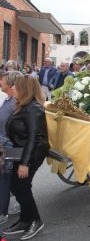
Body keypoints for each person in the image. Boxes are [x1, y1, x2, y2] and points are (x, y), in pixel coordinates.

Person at [2, 75, 49, 240]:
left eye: (17, 85)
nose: (13, 87)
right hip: (20, 151)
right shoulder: (23, 104)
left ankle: (35, 220)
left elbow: (34, 138)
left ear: (24, 89)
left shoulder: (34, 108)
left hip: (31, 154)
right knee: (17, 186)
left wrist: (25, 164)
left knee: (21, 186)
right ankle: (25, 220)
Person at [0, 71, 23, 227]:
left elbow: (19, 130)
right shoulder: (8, 99)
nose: (0, 82)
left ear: (10, 83)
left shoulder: (16, 101)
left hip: (10, 145)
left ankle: (3, 213)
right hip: (4, 143)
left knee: (5, 178)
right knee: (6, 177)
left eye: (1, 80)